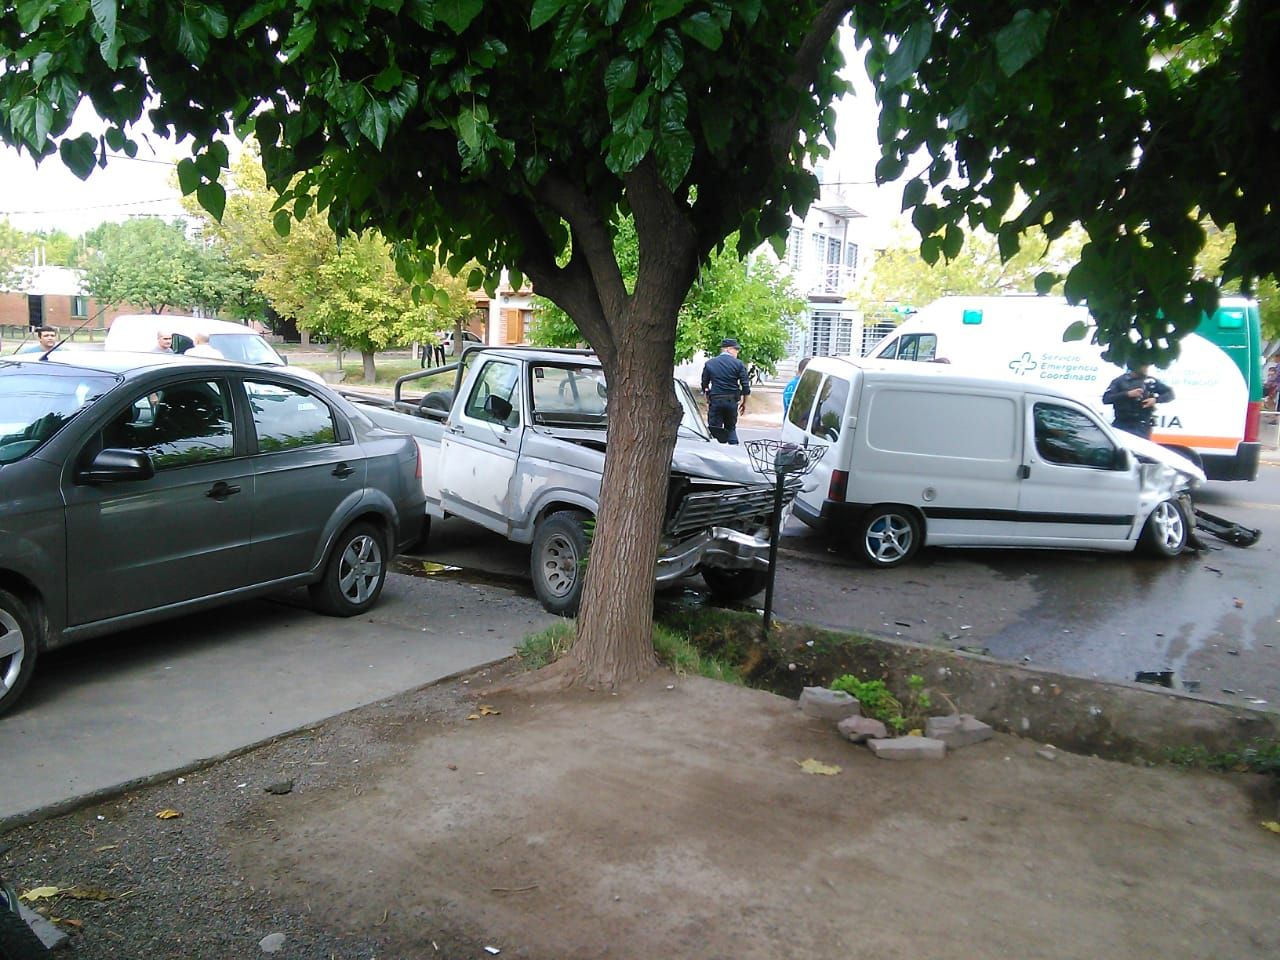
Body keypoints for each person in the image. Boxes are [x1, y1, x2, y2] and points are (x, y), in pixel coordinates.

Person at [1102, 362, 1174, 439]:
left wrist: (1155, 400)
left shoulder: (1150, 381)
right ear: (1135, 367)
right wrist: (1127, 394)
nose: (1147, 369)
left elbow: (1170, 394)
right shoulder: (1119, 381)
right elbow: (1106, 399)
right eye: (1144, 366)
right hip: (1122, 423)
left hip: (1142, 424)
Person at [701, 337, 751, 444]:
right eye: (735, 349)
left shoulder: (710, 363)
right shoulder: (738, 364)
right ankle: (733, 448)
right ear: (728, 349)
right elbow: (745, 386)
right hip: (731, 401)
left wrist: (707, 397)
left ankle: (716, 452)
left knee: (715, 430)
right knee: (731, 428)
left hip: (716, 401)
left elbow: (704, 384)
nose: (737, 352)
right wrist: (744, 403)